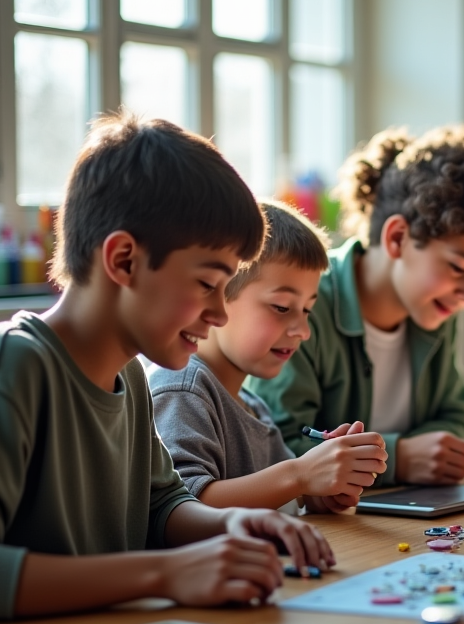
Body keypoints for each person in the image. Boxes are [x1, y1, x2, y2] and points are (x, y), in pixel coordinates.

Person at [0, 111, 332, 623]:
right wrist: (164, 574)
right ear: (124, 260)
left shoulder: (127, 373)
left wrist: (237, 525)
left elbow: (162, 506)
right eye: (206, 284)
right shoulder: (11, 369)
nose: (219, 313)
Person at [250, 125, 464, 484]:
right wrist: (399, 458)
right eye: (458, 268)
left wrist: (437, 447)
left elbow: (463, 418)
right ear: (397, 238)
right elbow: (274, 447)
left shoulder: (434, 311)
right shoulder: (303, 305)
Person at [149, 200, 387, 514]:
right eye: (281, 307)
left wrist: (322, 489)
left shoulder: (253, 406)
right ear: (217, 293)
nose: (303, 330)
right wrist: (301, 475)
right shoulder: (183, 389)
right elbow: (186, 507)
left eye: (307, 310)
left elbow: (284, 496)